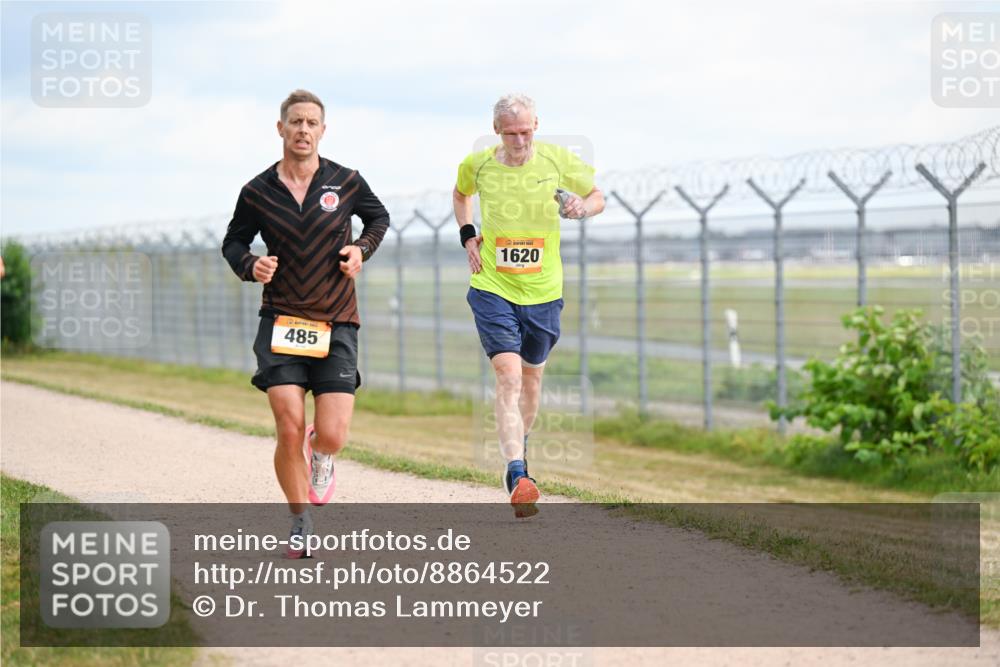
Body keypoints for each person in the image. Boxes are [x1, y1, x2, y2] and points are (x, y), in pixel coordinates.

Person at [222, 89, 389, 556]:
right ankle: (299, 521)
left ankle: (322, 453)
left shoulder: (346, 180)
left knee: (331, 433)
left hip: (336, 320)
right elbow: (233, 242)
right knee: (289, 425)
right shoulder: (257, 191)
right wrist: (250, 265)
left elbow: (378, 218)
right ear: (281, 128)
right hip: (281, 319)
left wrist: (361, 249)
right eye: (295, 121)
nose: (303, 130)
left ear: (322, 130)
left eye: (311, 122)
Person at [453, 93, 604, 517]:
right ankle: (517, 472)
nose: (519, 141)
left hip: (543, 292)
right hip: (493, 286)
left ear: (536, 125)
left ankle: (520, 446)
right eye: (510, 133)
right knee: (509, 377)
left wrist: (582, 208)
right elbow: (461, 195)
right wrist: (468, 235)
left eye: (525, 131)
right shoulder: (478, 164)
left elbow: (597, 196)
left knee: (532, 382)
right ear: (496, 130)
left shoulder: (557, 160)